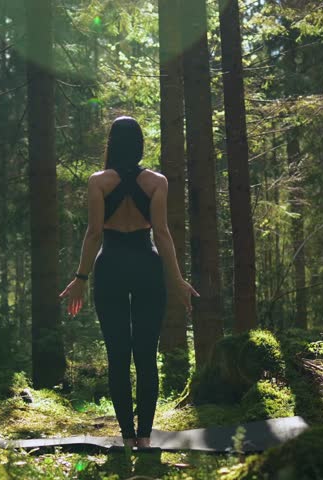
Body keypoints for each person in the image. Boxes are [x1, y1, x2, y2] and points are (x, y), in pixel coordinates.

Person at [59, 116, 198, 450]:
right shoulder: (157, 182)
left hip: (110, 268)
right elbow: (162, 233)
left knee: (118, 354)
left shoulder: (98, 182)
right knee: (146, 354)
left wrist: (80, 277)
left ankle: (125, 435)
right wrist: (176, 278)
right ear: (139, 145)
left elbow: (94, 234)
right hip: (147, 267)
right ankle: (146, 437)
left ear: (111, 144)